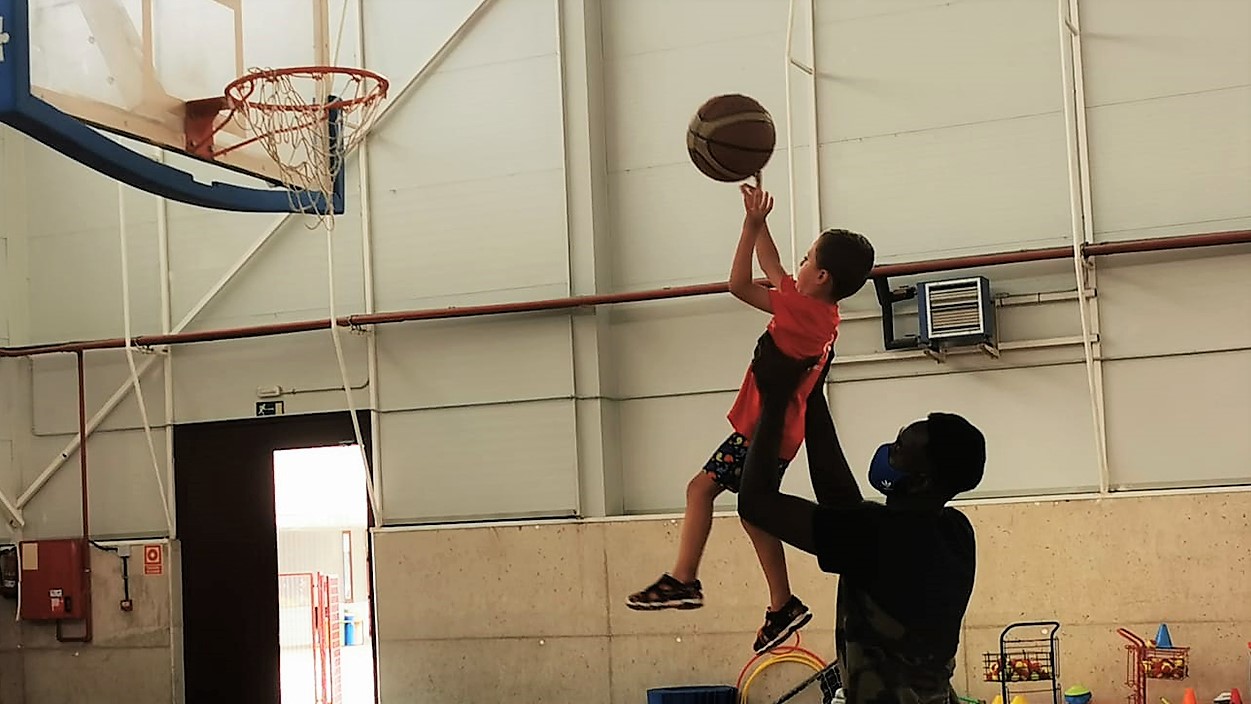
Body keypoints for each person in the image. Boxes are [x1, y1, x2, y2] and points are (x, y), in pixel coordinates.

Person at [627, 181, 876, 655]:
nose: (797, 266)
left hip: (763, 431)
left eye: (808, 260)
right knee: (755, 512)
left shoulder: (802, 312)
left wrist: (747, 227)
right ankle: (781, 603)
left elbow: (739, 284)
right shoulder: (823, 313)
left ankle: (684, 579)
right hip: (778, 434)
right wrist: (761, 225)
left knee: (700, 489)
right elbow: (774, 267)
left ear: (821, 276)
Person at [736, 331, 987, 704]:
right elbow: (844, 508)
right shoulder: (955, 533)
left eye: (900, 450)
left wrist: (775, 400)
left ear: (921, 480)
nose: (889, 451)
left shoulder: (880, 535)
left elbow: (755, 503)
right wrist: (811, 396)